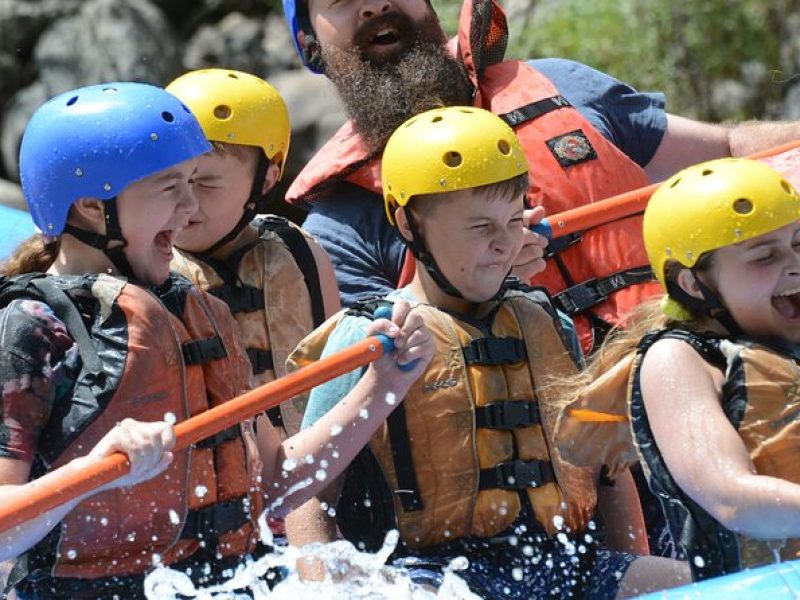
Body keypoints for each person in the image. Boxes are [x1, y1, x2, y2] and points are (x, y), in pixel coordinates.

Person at [0, 82, 433, 599]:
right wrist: (95, 472)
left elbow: (276, 483)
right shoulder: (31, 329)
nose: (189, 208)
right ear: (94, 206)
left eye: (193, 183)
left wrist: (384, 385)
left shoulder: (200, 311)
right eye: (169, 187)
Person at [284, 107, 690, 598]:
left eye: (514, 220)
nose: (504, 244)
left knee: (693, 586)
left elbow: (608, 472)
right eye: (480, 228)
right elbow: (306, 501)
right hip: (435, 575)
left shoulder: (548, 322)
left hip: (566, 565)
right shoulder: (370, 338)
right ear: (408, 223)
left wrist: (638, 567)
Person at [281, 0, 800, 355]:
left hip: (692, 365)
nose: (372, 4)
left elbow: (730, 152)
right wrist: (480, 293)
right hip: (552, 457)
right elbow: (381, 395)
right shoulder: (338, 231)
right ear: (310, 44)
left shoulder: (562, 85)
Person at [555, 158, 800, 582]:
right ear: (692, 284)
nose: (794, 264)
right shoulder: (678, 359)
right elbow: (731, 498)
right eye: (765, 256)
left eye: (799, 243)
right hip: (759, 586)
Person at [166, 68, 340, 437]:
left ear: (268, 177)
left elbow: (338, 377)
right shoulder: (148, 269)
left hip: (308, 465)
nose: (185, 202)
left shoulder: (299, 250)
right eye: (172, 180)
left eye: (205, 183)